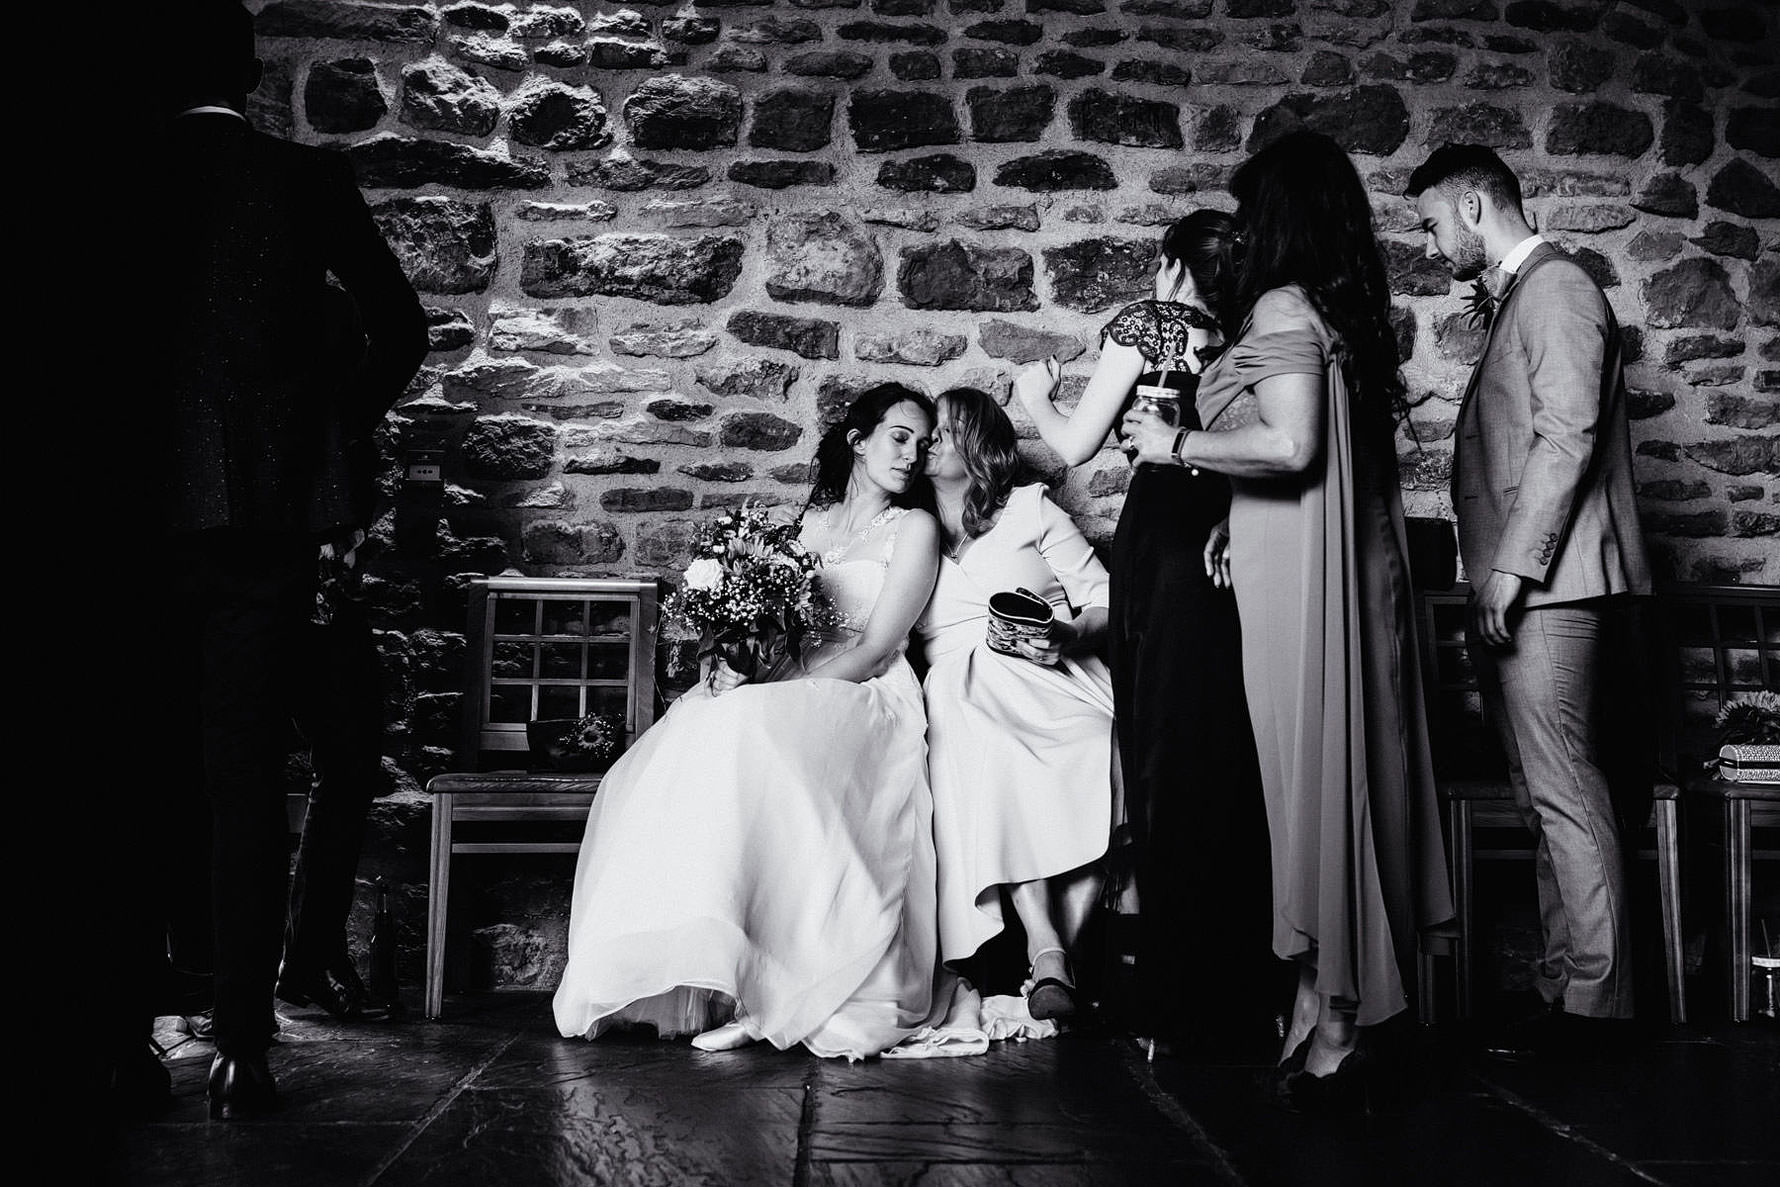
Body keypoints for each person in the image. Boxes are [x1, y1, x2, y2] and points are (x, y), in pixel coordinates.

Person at [1120, 130, 1453, 1107]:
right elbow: (1316, 453)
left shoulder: (1277, 302)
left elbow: (1293, 439)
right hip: (1311, 560)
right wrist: (1234, 512)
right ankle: (1322, 997)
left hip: (1299, 585)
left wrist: (1175, 437)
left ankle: (1338, 1017)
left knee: (1307, 781)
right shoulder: (1337, 307)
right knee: (1332, 772)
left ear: (1281, 217)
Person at [141, 0, 427, 1119]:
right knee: (247, 776)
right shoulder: (305, 182)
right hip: (264, 522)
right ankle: (244, 1043)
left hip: (129, 520)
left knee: (129, 770)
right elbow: (400, 328)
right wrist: (321, 442)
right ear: (253, 74)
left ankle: (124, 1027)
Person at [552, 385, 948, 1061]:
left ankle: (780, 989)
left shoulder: (915, 529)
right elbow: (775, 631)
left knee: (751, 727)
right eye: (899, 436)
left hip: (867, 689)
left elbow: (878, 645)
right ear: (857, 438)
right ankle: (724, 978)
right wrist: (739, 666)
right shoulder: (810, 522)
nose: (913, 454)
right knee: (695, 730)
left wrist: (779, 693)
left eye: (922, 441)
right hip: (794, 682)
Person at [1407, 144, 1651, 1059]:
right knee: (1539, 789)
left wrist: (1511, 568)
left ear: (1474, 204)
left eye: (1433, 223)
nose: (1432, 246)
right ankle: (1565, 989)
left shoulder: (1555, 288)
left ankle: (1598, 1006)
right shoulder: (1532, 292)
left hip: (1551, 584)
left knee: (1564, 786)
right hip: (1524, 583)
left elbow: (1566, 436)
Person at [1015, 213, 1281, 1053]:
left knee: (1161, 751)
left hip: (1166, 539)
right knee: (1227, 747)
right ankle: (1245, 988)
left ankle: (1171, 995)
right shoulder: (1249, 338)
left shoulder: (1150, 322)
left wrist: (1033, 394)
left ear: (1170, 269)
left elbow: (1072, 444)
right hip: (1236, 536)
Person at [916, 388, 1115, 1023]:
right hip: (963, 681)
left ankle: (1059, 961)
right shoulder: (907, 525)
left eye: (945, 431)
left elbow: (1104, 600)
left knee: (1100, 744)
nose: (929, 441)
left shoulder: (1031, 509)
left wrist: (1068, 635)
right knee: (988, 748)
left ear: (978, 443)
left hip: (1052, 668)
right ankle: (1048, 948)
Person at [277, 285, 394, 1024]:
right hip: (266, 598)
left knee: (350, 762)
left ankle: (308, 955)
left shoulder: (345, 412)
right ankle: (249, 962)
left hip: (328, 602)